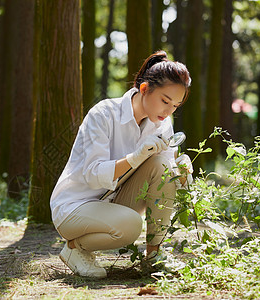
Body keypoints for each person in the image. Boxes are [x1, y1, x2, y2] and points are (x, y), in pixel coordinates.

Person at [50, 50, 194, 278]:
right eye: (165, 101)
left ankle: (154, 256)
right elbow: (92, 173)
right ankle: (74, 249)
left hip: (115, 201)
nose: (168, 111)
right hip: (75, 206)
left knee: (164, 167)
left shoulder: (162, 124)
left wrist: (183, 172)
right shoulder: (104, 114)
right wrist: (135, 157)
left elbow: (164, 177)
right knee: (130, 225)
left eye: (175, 106)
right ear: (145, 89)